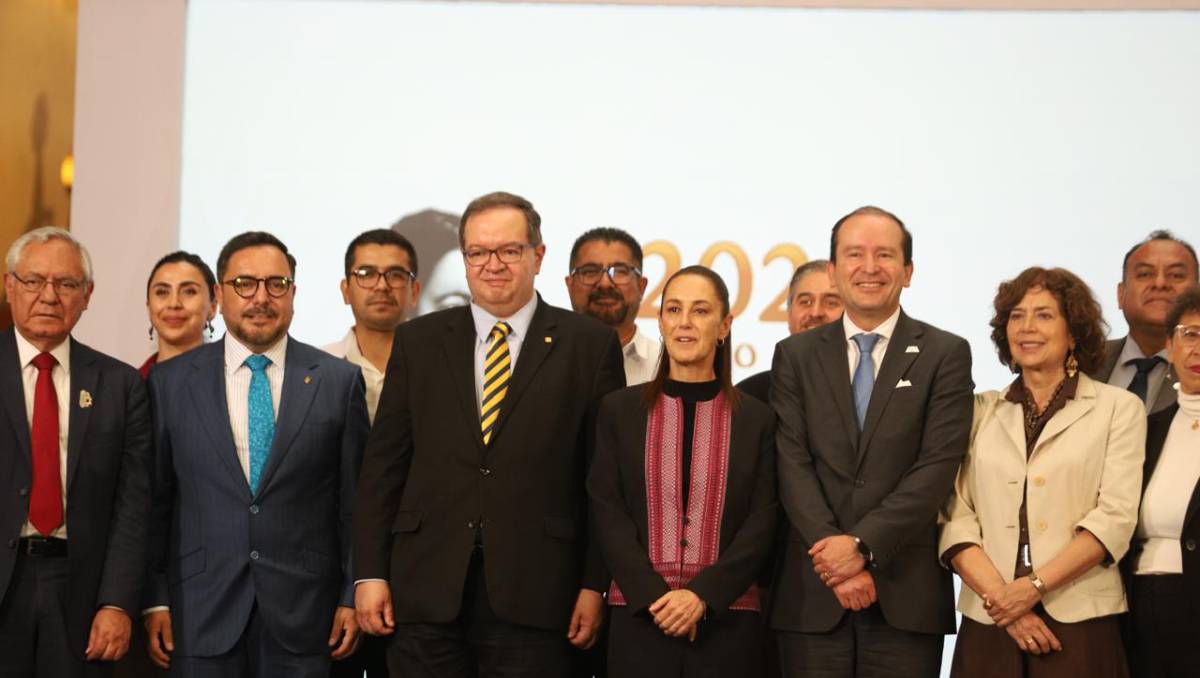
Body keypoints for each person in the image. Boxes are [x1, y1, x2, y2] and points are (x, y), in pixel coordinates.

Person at [353, 191, 625, 677]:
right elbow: (383, 469)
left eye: (509, 251)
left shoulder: (589, 345)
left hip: (539, 595)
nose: (492, 264)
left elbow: (603, 481)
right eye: (478, 252)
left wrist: (594, 583)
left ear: (538, 256)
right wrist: (369, 572)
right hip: (425, 593)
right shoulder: (418, 341)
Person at [143, 232, 369, 676]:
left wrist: (351, 594)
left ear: (293, 293)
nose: (261, 298)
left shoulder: (338, 382)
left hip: (309, 614)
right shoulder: (170, 383)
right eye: (245, 284)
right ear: (220, 294)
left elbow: (356, 505)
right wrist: (155, 599)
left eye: (276, 284)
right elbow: (154, 502)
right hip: (198, 612)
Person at [769, 206, 974, 678]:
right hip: (814, 594)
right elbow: (792, 463)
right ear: (833, 270)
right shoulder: (795, 355)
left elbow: (936, 467)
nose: (869, 267)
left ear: (908, 271)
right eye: (854, 254)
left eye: (884, 255)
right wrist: (834, 557)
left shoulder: (945, 353)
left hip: (904, 593)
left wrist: (861, 547)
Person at [939, 266, 1145, 676]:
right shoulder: (979, 410)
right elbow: (955, 517)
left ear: (1074, 333)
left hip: (1079, 617)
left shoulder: (1118, 409)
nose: (1027, 327)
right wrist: (1005, 601)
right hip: (991, 618)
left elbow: (1114, 518)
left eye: (1044, 315)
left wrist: (1033, 588)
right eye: (1016, 316)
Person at [588, 265, 778, 677]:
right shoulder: (619, 411)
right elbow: (608, 510)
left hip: (728, 621)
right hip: (640, 616)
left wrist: (702, 596)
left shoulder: (758, 419)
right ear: (660, 321)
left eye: (700, 311)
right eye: (673, 310)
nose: (684, 322)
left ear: (724, 325)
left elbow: (762, 521)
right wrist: (654, 597)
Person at [0, 227, 151, 676]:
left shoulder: (120, 385)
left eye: (66, 284)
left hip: (80, 590)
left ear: (87, 295)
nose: (49, 296)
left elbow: (133, 505)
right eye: (33, 281)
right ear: (9, 286)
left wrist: (117, 603)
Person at [1123, 286, 1200, 678]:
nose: (1198, 349)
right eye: (1190, 334)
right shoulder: (1146, 428)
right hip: (1139, 606)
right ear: (1170, 345)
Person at [1091, 230, 1198, 414]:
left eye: (1176, 275)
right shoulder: (1084, 361)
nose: (1160, 283)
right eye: (1145, 274)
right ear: (1121, 294)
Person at [324, 228, 422, 424]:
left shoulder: (442, 364)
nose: (382, 286)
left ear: (414, 292)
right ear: (346, 291)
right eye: (366, 274)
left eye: (395, 275)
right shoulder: (319, 368)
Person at [737, 259, 842, 402]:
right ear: (789, 313)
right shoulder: (747, 397)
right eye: (806, 302)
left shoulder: (866, 393)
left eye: (831, 303)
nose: (815, 312)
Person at [565, 227, 657, 385]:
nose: (605, 283)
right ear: (570, 285)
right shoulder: (544, 361)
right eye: (590, 272)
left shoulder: (666, 366)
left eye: (620, 271)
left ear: (641, 287)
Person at [139, 251, 218, 380]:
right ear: (149, 307)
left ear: (213, 307)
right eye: (162, 292)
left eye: (189, 292)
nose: (174, 303)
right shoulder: (131, 385)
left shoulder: (230, 380)